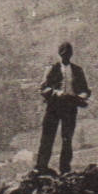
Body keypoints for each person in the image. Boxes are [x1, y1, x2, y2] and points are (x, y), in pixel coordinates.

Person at [35, 41, 89, 175]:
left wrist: (81, 95)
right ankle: (41, 167)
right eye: (64, 54)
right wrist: (55, 92)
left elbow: (85, 90)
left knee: (67, 138)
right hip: (53, 107)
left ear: (71, 55)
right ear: (60, 54)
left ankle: (65, 169)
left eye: (68, 54)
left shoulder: (77, 70)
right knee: (47, 137)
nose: (66, 57)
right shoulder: (52, 69)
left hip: (70, 107)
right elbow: (43, 88)